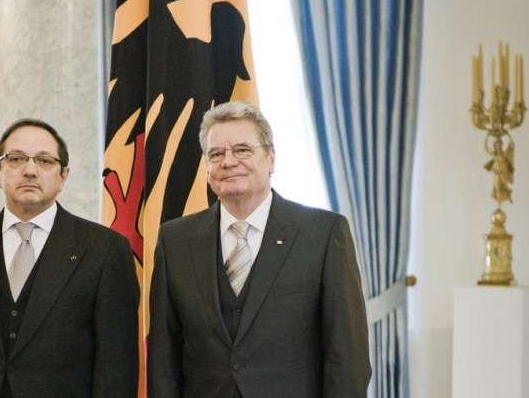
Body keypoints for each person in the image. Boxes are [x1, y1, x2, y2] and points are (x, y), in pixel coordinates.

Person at [148, 101, 370, 398]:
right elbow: (164, 356)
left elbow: (347, 356)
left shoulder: (324, 234)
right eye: (216, 154)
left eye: (242, 150)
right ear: (206, 167)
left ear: (271, 159)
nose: (228, 161)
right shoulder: (174, 240)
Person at [0, 119, 138, 398]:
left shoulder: (105, 249)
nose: (29, 170)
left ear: (63, 175)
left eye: (44, 161)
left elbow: (116, 367)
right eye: (15, 159)